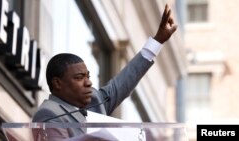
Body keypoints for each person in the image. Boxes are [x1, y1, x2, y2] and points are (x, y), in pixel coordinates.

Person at [32, 4, 177, 141]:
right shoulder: (48, 114)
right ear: (58, 83)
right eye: (79, 77)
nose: (88, 82)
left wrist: (158, 41)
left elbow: (124, 81)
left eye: (88, 76)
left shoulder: (95, 101)